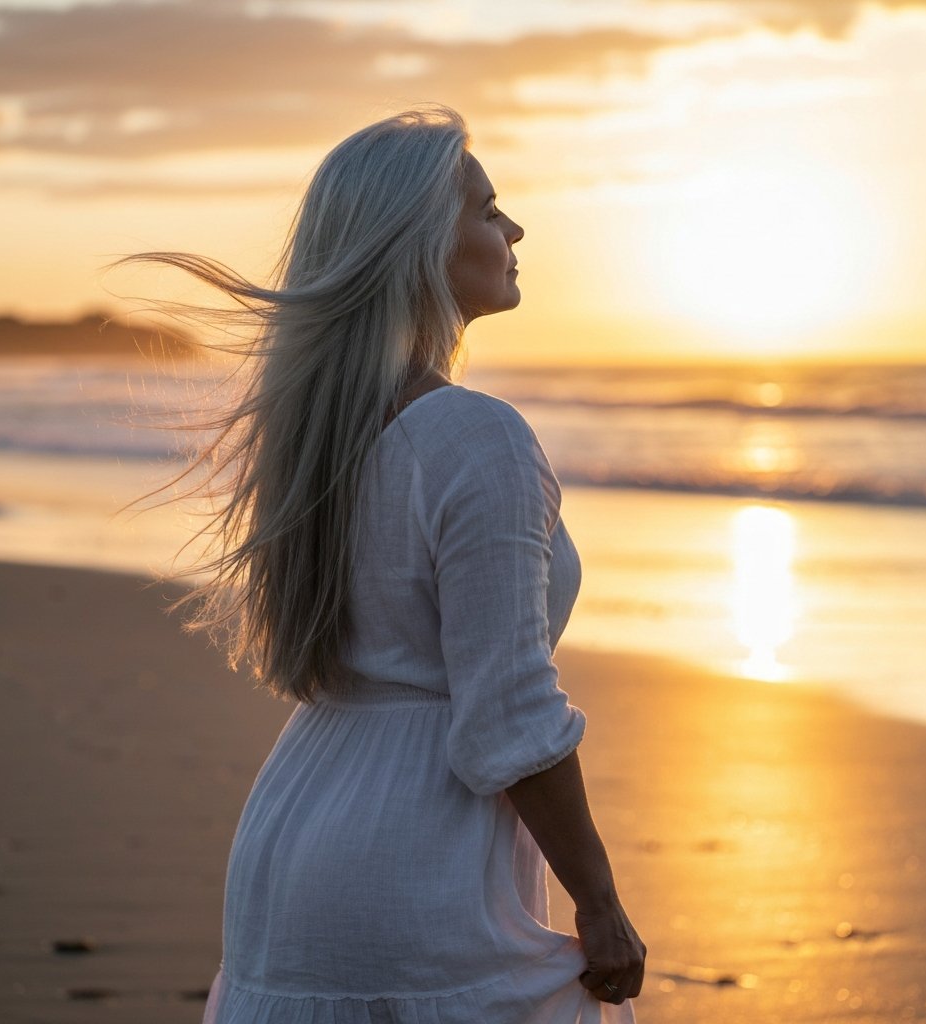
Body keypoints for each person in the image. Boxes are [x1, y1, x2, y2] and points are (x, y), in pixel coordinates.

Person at [127, 106, 645, 1023]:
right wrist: (600, 905)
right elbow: (510, 713)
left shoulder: (319, 435)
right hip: (418, 860)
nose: (514, 230)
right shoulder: (473, 434)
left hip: (295, 838)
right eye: (489, 210)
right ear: (419, 243)